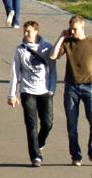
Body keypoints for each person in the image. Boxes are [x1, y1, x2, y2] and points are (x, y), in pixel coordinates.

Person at [52, 14, 92, 166]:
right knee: (72, 124)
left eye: (75, 29)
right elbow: (53, 55)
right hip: (71, 88)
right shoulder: (68, 42)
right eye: (70, 29)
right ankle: (76, 155)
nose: (72, 32)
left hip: (89, 86)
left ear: (83, 27)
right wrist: (61, 37)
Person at [8, 20, 57, 167]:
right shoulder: (20, 50)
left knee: (48, 123)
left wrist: (52, 89)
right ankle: (35, 156)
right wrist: (12, 94)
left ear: (36, 32)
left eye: (29, 31)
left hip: (44, 91)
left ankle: (39, 144)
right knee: (31, 125)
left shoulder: (47, 47)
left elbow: (53, 70)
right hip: (27, 91)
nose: (26, 34)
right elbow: (15, 72)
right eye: (24, 31)